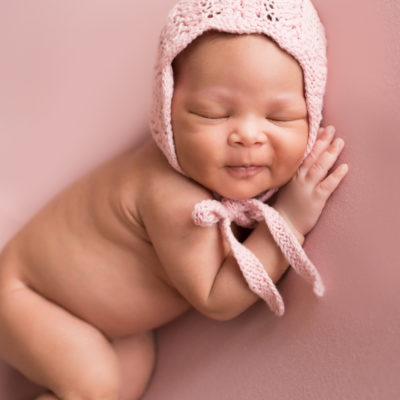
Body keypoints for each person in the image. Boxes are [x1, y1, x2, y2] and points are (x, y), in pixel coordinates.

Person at [0, 0, 349, 399]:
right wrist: (288, 219)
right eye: (212, 114)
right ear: (166, 112)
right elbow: (217, 298)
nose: (248, 136)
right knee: (93, 384)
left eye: (279, 117)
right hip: (26, 295)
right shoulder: (172, 195)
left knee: (126, 382)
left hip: (110, 325)